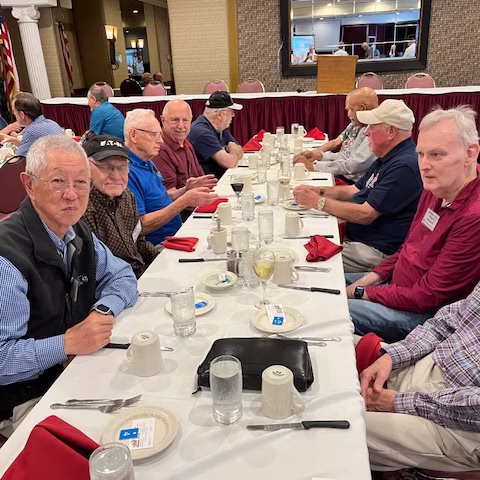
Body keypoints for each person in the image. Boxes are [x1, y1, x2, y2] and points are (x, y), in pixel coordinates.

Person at [0, 135, 138, 437]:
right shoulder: (7, 259)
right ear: (29, 185)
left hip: (79, 369)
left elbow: (123, 277)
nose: (72, 194)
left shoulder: (77, 232)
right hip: (27, 397)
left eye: (81, 182)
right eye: (58, 181)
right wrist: (66, 344)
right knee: (108, 442)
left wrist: (102, 311)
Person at [345, 106, 480, 342]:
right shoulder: (436, 188)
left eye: (436, 155)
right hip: (396, 287)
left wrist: (360, 292)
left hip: (422, 316)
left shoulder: (473, 217)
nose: (424, 165)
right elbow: (406, 249)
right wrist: (368, 282)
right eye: (421, 154)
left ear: (470, 153)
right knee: (322, 284)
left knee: (328, 310)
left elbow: (427, 297)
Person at [361, 281, 480, 473]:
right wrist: (393, 356)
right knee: (332, 358)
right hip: (435, 361)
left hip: (465, 422)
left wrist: (399, 402)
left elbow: (424, 296)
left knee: (337, 426)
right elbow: (445, 324)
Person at [293, 99, 423, 274]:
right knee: (301, 234)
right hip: (358, 237)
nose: (366, 132)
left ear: (391, 131)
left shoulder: (404, 166)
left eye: (372, 126)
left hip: (375, 250)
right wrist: (317, 191)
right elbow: (353, 190)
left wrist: (317, 202)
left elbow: (365, 214)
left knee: (299, 258)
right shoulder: (389, 156)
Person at [125, 109, 218, 245]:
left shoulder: (146, 161)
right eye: (154, 135)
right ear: (133, 135)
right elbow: (140, 226)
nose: (161, 141)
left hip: (177, 233)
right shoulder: (125, 171)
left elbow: (158, 199)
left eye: (160, 134)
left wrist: (185, 190)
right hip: (158, 246)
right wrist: (184, 201)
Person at [82, 135, 161, 278]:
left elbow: (138, 241)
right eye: (106, 168)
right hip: (117, 282)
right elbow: (97, 268)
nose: (116, 176)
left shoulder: (127, 196)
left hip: (141, 272)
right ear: (87, 169)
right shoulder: (83, 208)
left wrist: (161, 259)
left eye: (122, 167)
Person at [293, 87, 379, 183]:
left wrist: (315, 167)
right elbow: (345, 157)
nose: (348, 114)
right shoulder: (359, 125)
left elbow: (353, 166)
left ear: (363, 109)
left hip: (353, 184)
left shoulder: (374, 131)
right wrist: (318, 156)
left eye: (351, 109)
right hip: (343, 176)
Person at [155, 99, 213, 192]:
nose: (181, 126)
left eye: (185, 120)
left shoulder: (187, 143)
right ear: (163, 120)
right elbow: (169, 194)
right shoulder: (159, 149)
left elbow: (202, 180)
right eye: (175, 120)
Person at [187, 91, 244, 179]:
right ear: (220, 114)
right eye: (231, 112)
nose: (233, 116)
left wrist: (233, 152)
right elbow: (229, 163)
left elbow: (240, 150)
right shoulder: (201, 132)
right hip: (210, 183)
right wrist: (232, 151)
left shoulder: (221, 128)